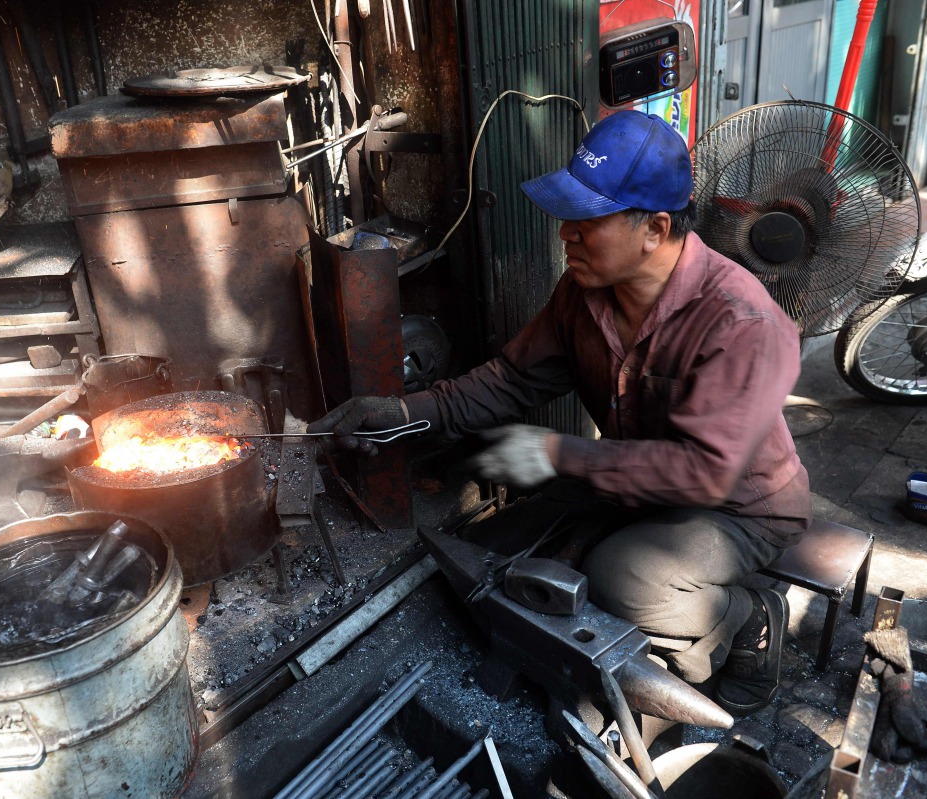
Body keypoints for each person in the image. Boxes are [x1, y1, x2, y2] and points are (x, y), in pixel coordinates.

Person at [308, 110, 811, 715]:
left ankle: (749, 618)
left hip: (739, 509)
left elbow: (705, 473)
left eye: (585, 222)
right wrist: (399, 411)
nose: (565, 235)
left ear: (653, 228)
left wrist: (557, 454)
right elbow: (512, 380)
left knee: (625, 577)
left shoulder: (742, 322)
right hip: (637, 487)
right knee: (493, 547)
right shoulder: (584, 293)